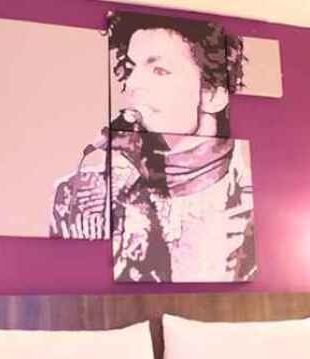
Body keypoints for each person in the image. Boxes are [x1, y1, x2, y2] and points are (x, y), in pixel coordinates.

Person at [51, 12, 256, 283]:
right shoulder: (80, 195)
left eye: (159, 70)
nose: (132, 85)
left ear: (213, 95)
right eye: (131, 68)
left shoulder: (254, 204)